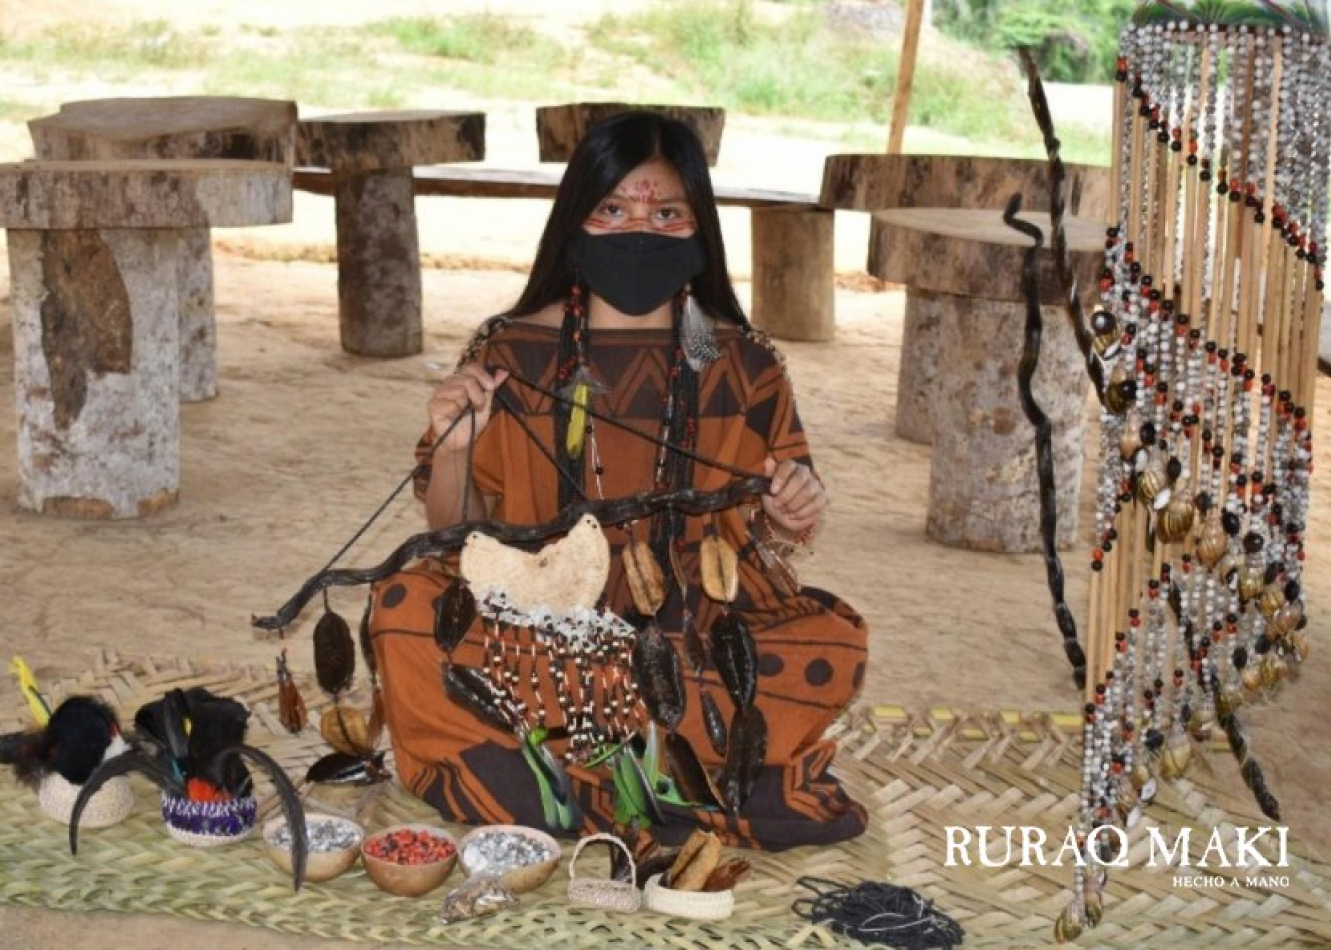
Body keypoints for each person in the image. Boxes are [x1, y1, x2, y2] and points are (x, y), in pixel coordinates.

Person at [368, 111, 868, 850]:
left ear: (698, 225)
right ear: (576, 219)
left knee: (833, 642)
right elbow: (454, 532)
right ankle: (655, 781)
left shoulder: (745, 363)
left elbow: (775, 520)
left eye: (664, 212)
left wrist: (789, 515)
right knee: (405, 608)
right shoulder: (512, 350)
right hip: (533, 608)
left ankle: (558, 777)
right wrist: (455, 448)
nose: (639, 228)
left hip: (690, 618)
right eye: (613, 209)